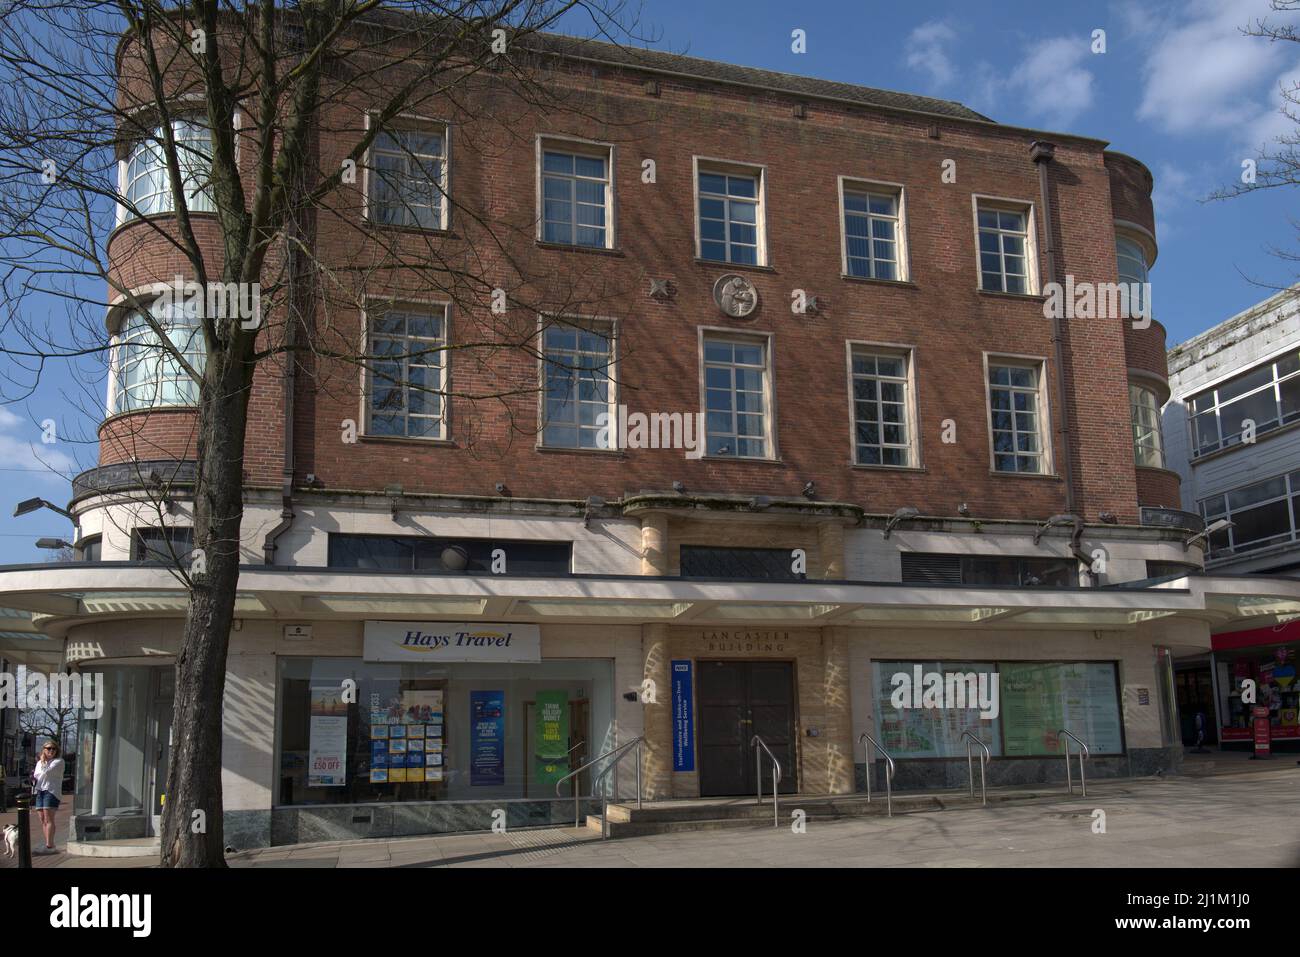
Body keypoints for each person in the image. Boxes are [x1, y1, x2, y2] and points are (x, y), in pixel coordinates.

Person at [31, 740, 64, 853]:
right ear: (44, 750)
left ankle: (50, 846)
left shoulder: (58, 761)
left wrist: (42, 761)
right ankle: (48, 844)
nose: (51, 751)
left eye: (53, 749)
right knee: (42, 819)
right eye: (48, 748)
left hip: (51, 791)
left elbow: (47, 772)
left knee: (49, 818)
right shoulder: (39, 763)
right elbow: (36, 775)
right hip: (40, 791)